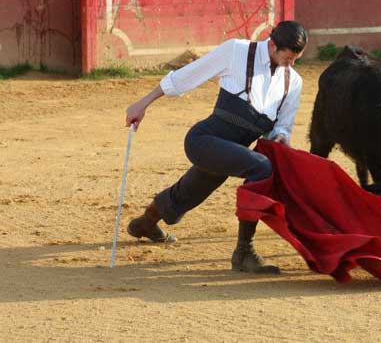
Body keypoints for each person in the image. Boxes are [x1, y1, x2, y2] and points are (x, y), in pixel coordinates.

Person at [124, 21, 308, 274]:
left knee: (188, 193)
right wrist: (143, 103)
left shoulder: (293, 82)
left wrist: (281, 136)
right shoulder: (237, 51)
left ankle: (146, 222)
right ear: (273, 44)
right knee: (262, 168)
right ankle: (244, 252)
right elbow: (186, 76)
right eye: (288, 58)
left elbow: (283, 125)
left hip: (231, 151)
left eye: (295, 59)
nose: (291, 65)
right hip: (204, 140)